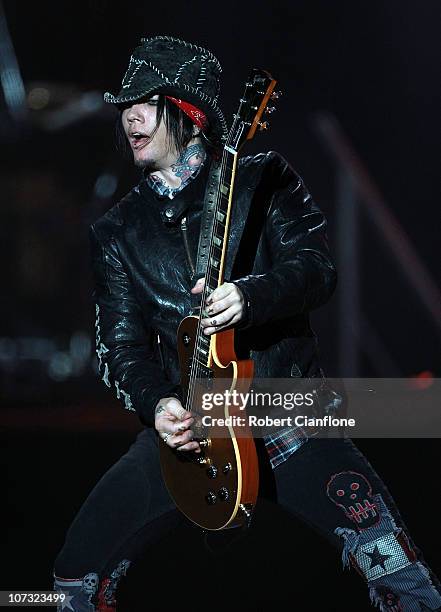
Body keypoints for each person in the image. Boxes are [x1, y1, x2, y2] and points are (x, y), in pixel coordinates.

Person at [53, 35, 441, 611]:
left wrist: (251, 296)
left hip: (287, 410)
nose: (129, 116)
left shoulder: (263, 179)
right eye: (124, 105)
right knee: (62, 586)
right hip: (191, 429)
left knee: (405, 581)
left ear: (188, 113)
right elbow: (120, 346)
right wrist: (159, 406)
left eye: (146, 102)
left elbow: (317, 270)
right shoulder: (117, 232)